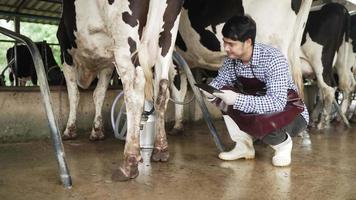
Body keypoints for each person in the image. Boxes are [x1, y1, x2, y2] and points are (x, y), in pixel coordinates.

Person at [201, 15, 309, 167]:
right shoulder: (231, 61)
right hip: (261, 108)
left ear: (248, 42)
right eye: (224, 42)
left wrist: (238, 99)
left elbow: (277, 103)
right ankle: (243, 146)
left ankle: (283, 144)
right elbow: (220, 82)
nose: (225, 48)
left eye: (231, 44)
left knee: (260, 118)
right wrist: (212, 91)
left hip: (291, 112)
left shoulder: (273, 59)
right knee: (222, 94)